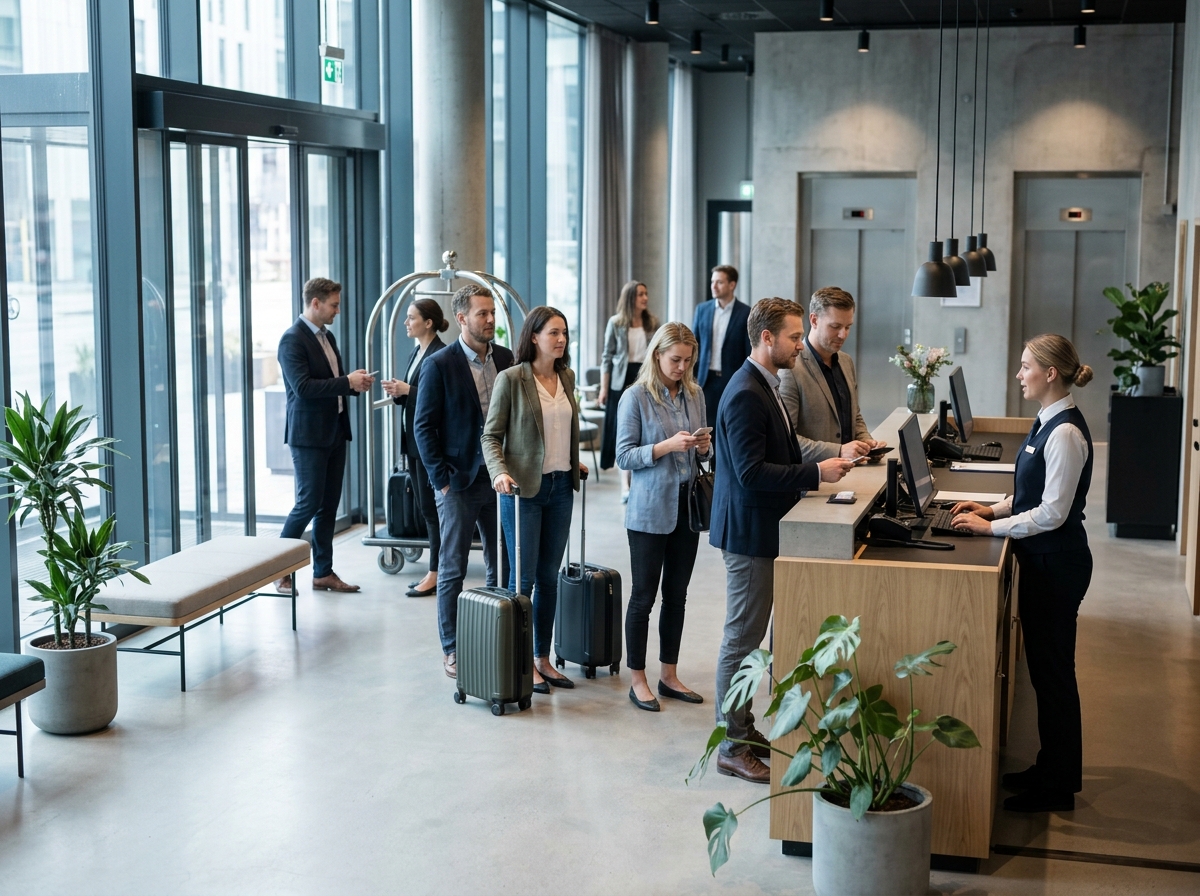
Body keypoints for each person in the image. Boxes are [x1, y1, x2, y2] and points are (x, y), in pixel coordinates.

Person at [710, 298, 854, 783]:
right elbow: (751, 473)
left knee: (748, 640)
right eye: (794, 337)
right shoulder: (745, 392)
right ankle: (731, 745)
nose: (799, 345)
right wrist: (816, 472)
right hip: (749, 535)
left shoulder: (765, 384)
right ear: (766, 338)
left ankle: (743, 728)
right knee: (741, 640)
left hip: (764, 530)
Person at [950, 334, 1095, 813]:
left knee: (1054, 677)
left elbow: (1052, 512)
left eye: (1026, 366)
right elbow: (1030, 492)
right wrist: (991, 510)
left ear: (1050, 373)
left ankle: (1058, 787)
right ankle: (1049, 766)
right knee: (1045, 674)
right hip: (1043, 561)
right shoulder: (1046, 420)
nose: (1019, 375)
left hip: (1058, 565)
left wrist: (990, 530)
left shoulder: (1065, 433)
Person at [483, 306, 586, 694]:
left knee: (548, 577)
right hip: (522, 490)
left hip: (561, 488)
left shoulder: (566, 377)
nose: (561, 339)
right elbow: (490, 436)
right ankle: (520, 658)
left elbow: (562, 428)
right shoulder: (512, 379)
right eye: (553, 333)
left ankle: (542, 657)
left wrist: (573, 461)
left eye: (564, 333)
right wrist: (499, 471)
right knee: (522, 579)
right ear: (534, 337)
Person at [414, 285, 515, 680]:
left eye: (492, 313)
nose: (490, 320)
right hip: (458, 481)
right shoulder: (439, 364)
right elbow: (423, 427)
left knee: (501, 562)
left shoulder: (505, 358)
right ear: (461, 319)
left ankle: (493, 635)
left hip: (500, 477)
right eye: (482, 314)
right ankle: (453, 648)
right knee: (452, 567)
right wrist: (441, 480)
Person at [615, 322, 711, 713]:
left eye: (688, 360)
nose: (682, 367)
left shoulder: (695, 393)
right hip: (648, 512)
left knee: (677, 596)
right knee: (643, 598)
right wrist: (665, 446)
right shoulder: (635, 397)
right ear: (657, 355)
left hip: (686, 509)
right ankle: (637, 678)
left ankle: (668, 675)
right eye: (675, 360)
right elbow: (624, 456)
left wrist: (703, 448)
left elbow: (704, 455)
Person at [275, 277, 374, 595]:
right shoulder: (292, 340)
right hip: (309, 437)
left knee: (328, 506)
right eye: (334, 305)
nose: (337, 311)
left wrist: (354, 384)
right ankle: (279, 572)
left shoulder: (326, 336)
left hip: (334, 431)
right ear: (315, 303)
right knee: (307, 504)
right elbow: (303, 388)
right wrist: (347, 382)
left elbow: (332, 381)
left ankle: (323, 573)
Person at [381, 299, 450, 597]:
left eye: (411, 318)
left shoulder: (441, 354)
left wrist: (408, 390)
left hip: (430, 443)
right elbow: (415, 397)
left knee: (433, 511)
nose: (406, 323)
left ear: (428, 322)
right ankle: (436, 570)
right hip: (414, 443)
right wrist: (399, 392)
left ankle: (437, 573)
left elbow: (441, 399)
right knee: (426, 508)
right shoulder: (417, 352)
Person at [778, 286, 885, 462]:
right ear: (814, 320)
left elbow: (854, 416)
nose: (843, 335)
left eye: (848, 327)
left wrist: (867, 443)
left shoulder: (846, 361)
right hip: (816, 475)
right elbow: (787, 441)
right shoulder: (790, 369)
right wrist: (839, 451)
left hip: (851, 471)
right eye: (835, 326)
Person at [600, 280, 658, 499]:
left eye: (646, 293)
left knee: (643, 431)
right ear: (630, 297)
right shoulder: (616, 323)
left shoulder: (652, 322)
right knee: (623, 432)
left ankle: (638, 480)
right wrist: (603, 388)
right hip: (620, 379)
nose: (645, 298)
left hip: (644, 377)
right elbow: (607, 357)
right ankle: (625, 485)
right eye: (640, 294)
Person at [693, 265, 752, 426]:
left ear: (732, 285)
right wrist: (693, 377)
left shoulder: (746, 313)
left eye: (719, 282)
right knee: (706, 426)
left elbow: (749, 351)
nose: (713, 286)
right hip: (705, 380)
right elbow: (694, 346)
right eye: (713, 282)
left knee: (729, 424)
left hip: (732, 379)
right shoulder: (702, 310)